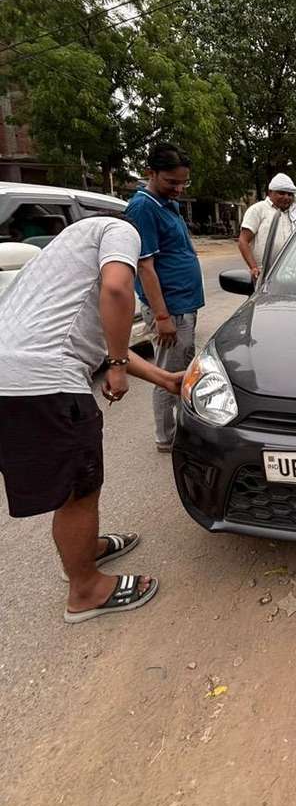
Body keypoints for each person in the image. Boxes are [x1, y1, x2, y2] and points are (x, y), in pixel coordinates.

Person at [0, 214, 183, 624]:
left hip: (12, 380)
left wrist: (164, 380)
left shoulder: (67, 252)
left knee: (67, 481)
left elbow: (101, 339)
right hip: (45, 382)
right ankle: (85, 590)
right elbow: (117, 290)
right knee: (79, 487)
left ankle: (87, 548)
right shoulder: (122, 230)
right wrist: (117, 367)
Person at [125, 143, 204, 452]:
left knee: (182, 367)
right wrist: (161, 317)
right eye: (172, 182)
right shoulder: (143, 207)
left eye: (184, 182)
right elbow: (145, 266)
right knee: (165, 375)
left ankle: (180, 428)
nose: (179, 188)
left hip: (183, 304)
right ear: (151, 173)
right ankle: (166, 436)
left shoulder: (165, 202)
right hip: (168, 309)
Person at [238, 173, 296, 279]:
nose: (286, 197)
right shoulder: (258, 210)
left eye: (290, 194)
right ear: (270, 192)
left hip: (294, 278)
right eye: (281, 193)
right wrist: (254, 268)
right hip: (265, 277)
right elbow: (243, 241)